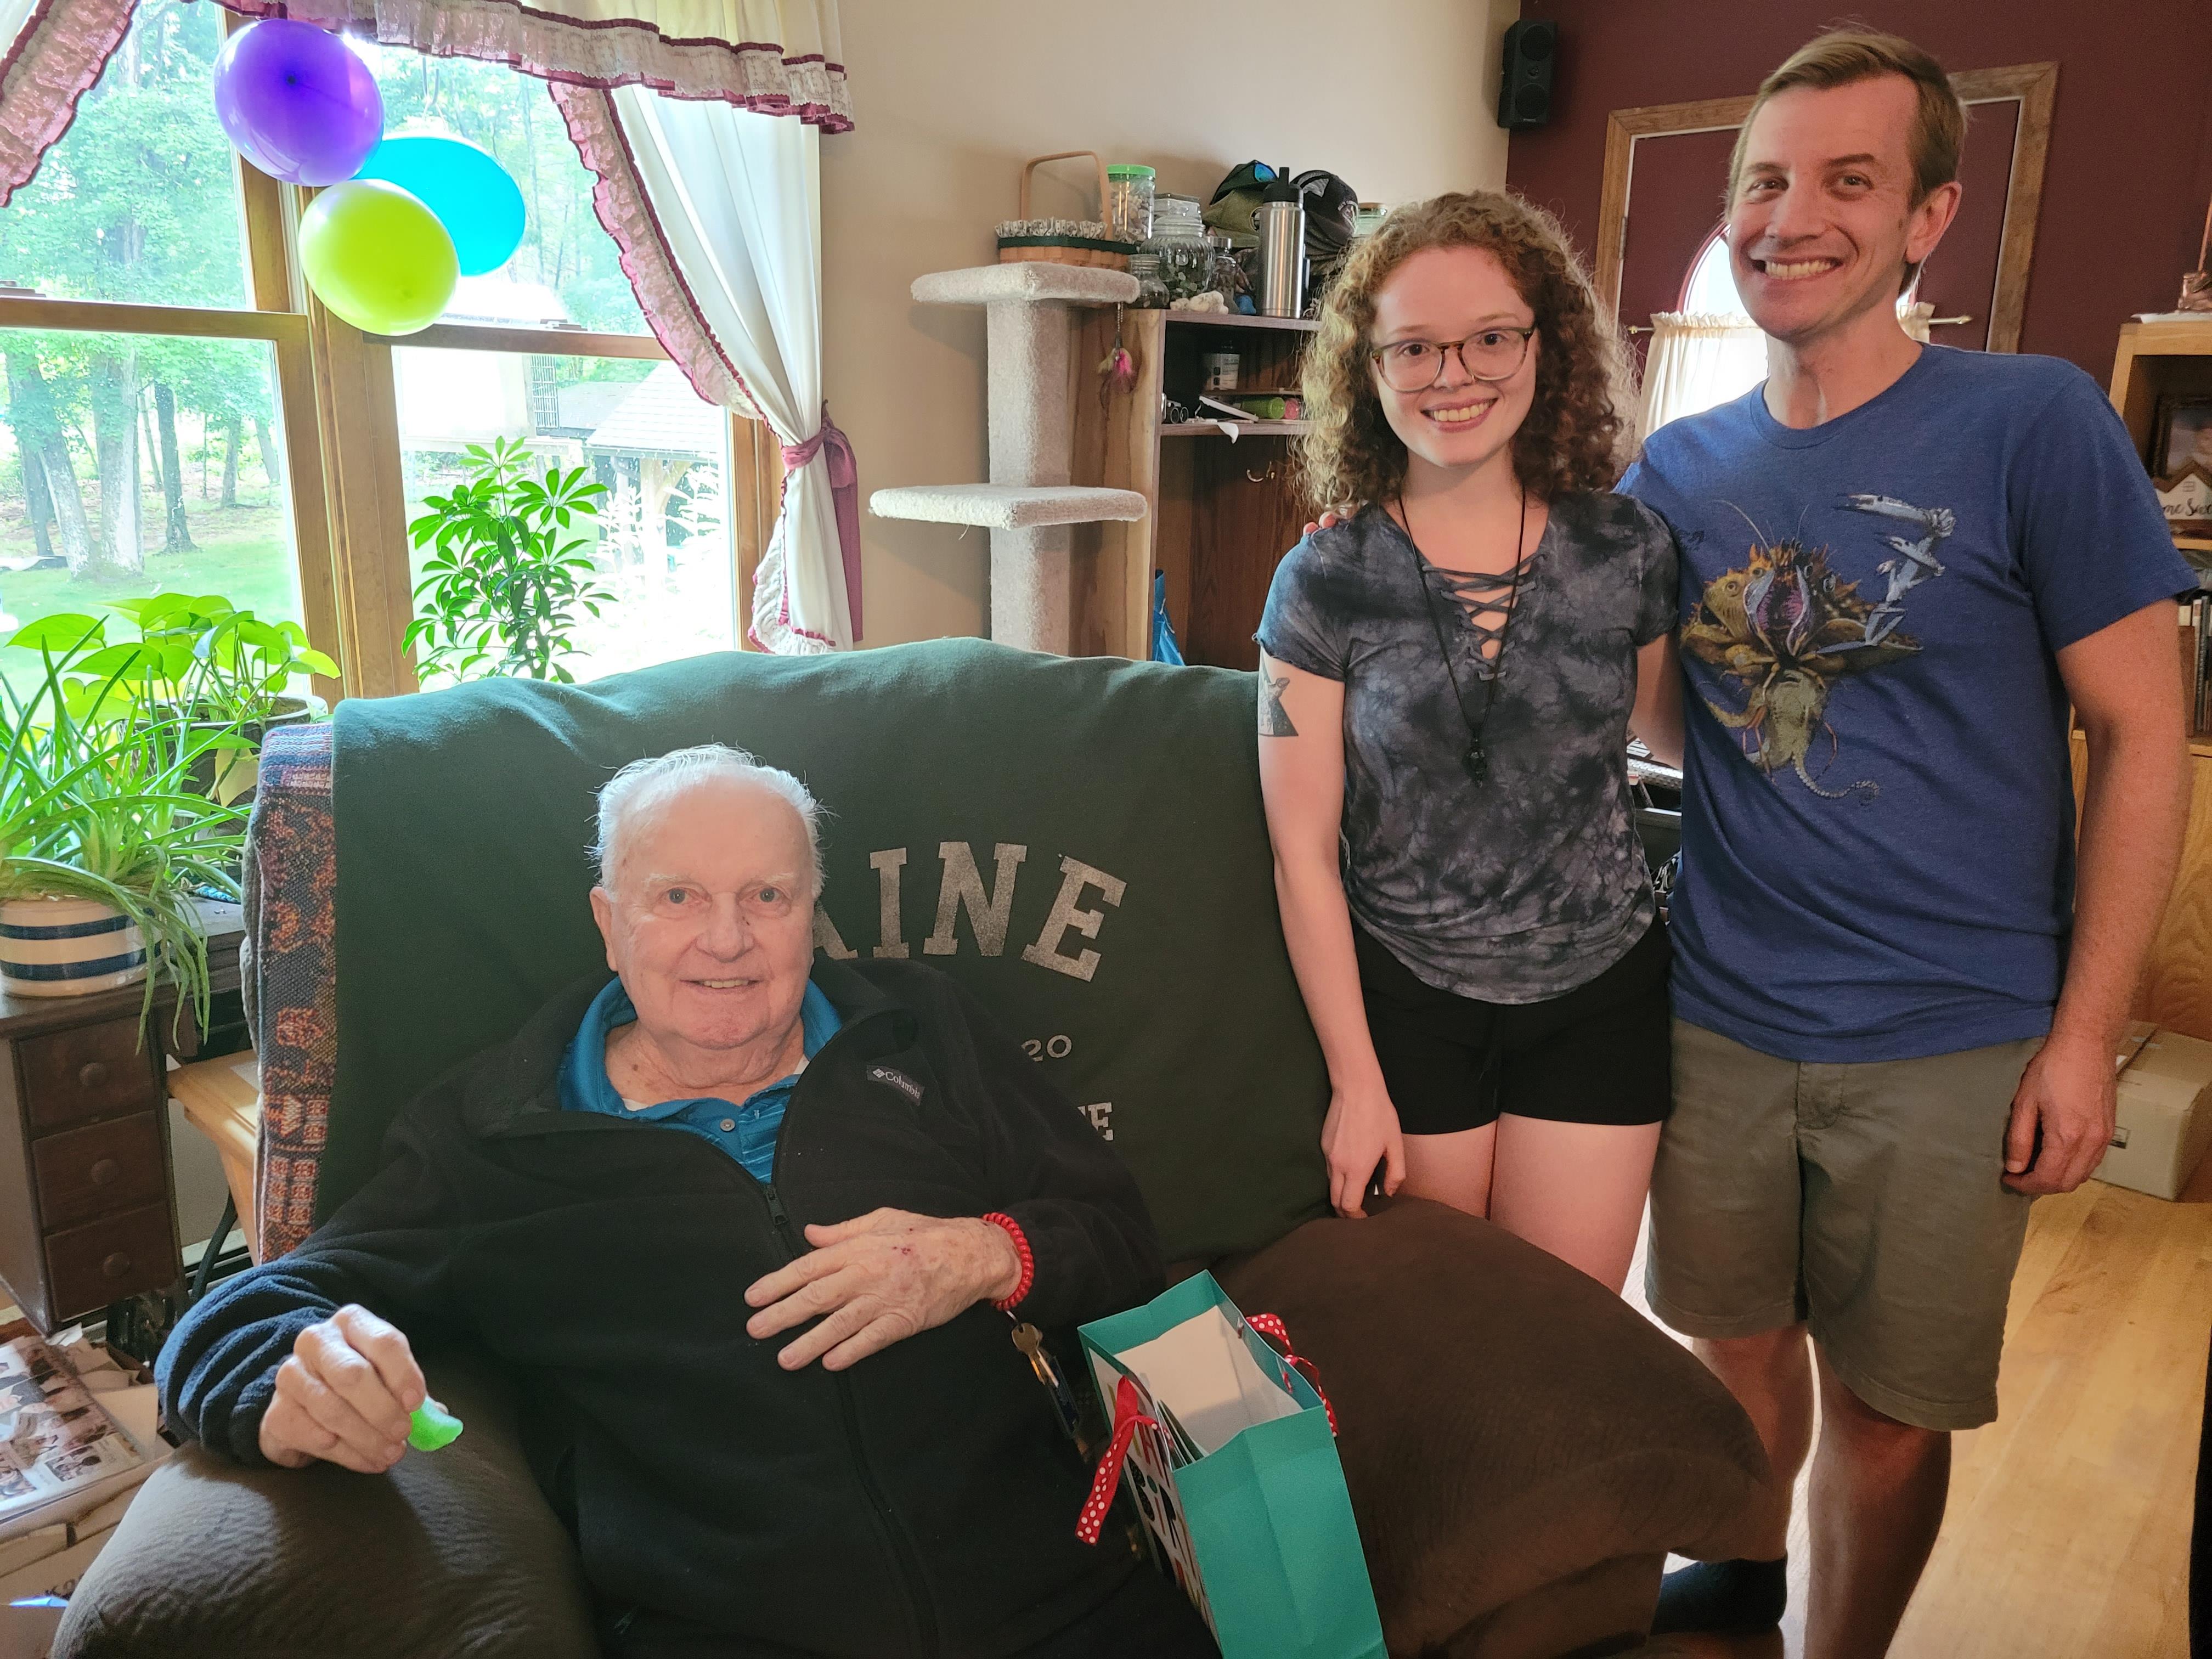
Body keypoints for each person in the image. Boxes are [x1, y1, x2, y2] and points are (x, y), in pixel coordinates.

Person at [158, 745, 1215, 1659]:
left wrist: (985, 1253)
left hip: (1074, 1604)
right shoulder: (495, 1135)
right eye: (677, 899)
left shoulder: (923, 1031)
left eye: (768, 897)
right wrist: (294, 1382)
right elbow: (247, 1313)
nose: (727, 939)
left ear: (810, 915)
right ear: (609, 923)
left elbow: (1120, 1235)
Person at [1617, 30, 2194, 1656]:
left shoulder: (2033, 423)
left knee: (1887, 1413)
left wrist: (2085, 1039)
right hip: (1722, 1008)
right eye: (1765, 181)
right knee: (1732, 1349)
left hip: (1954, 1031)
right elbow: (1672, 726)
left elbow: (2143, 737)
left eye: (1849, 181)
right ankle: (1742, 1585)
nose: (1792, 217)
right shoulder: (1679, 467)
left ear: (1930, 217)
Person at [1255, 191, 1684, 1293]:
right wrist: (1355, 1080)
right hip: (1408, 1004)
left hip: (1601, 995)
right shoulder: (1324, 577)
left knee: (1563, 1333)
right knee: (1446, 1333)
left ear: (1546, 344)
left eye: (1491, 338)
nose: (1453, 376)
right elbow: (1301, 853)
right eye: (1414, 348)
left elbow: (1670, 735)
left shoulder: (1627, 548)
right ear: (1368, 368)